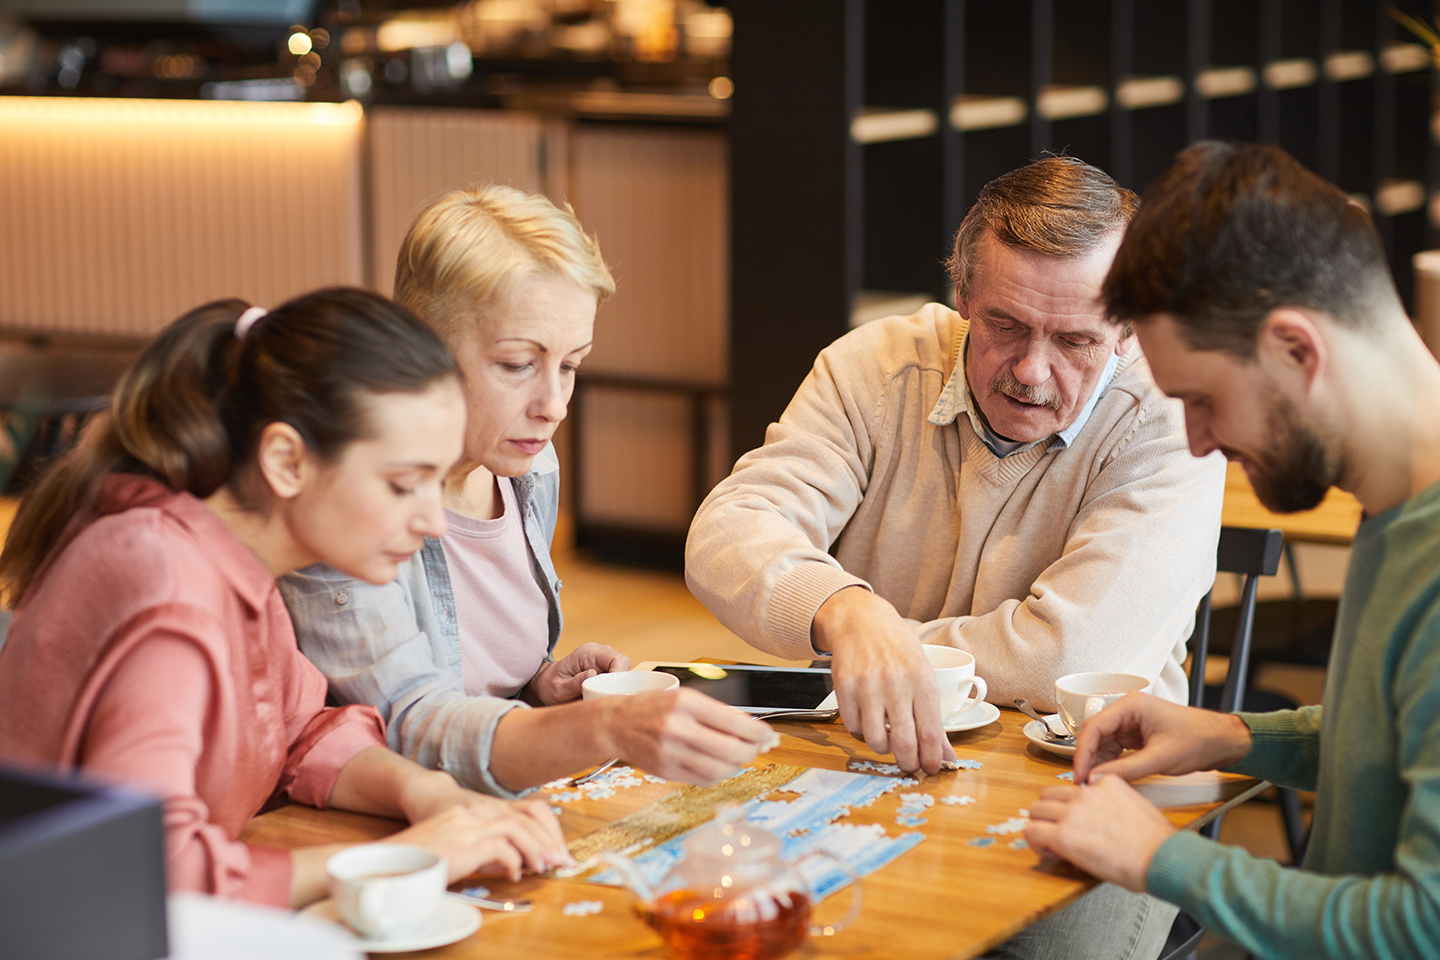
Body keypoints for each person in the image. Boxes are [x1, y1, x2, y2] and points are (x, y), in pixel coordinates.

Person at [0, 289, 571, 909]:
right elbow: (151, 875)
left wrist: (429, 795)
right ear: (286, 461)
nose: (434, 521)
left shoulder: (228, 555)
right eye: (404, 484)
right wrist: (415, 855)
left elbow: (303, 729)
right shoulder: (171, 591)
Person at [1024, 141, 1440, 958]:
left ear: (1296, 349)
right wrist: (1233, 737)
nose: (1197, 440)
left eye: (1203, 399)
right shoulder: (1395, 507)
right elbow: (1392, 739)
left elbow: (1420, 926)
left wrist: (1161, 857)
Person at [686, 156, 1225, 777]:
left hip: (1088, 783)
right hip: (866, 754)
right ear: (963, 294)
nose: (1031, 371)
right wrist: (846, 612)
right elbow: (728, 531)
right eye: (1006, 324)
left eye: (1075, 341)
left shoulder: (1172, 420)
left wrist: (878, 649)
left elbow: (1063, 661)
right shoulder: (875, 367)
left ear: (1129, 331)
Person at [282, 185, 773, 798]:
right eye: (517, 364)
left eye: (570, 365)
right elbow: (409, 725)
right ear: (418, 348)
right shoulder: (348, 502)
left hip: (500, 800)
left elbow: (473, 675)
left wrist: (541, 683)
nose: (554, 406)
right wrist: (600, 728)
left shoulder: (530, 468)